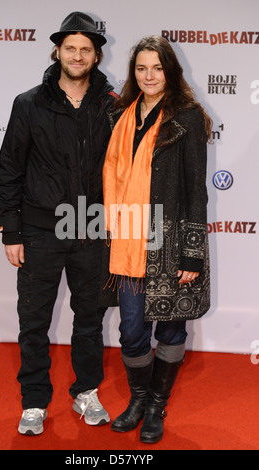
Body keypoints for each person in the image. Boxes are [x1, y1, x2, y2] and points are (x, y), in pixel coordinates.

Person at [0, 11, 116, 435]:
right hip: (40, 231)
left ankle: (86, 391)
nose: (77, 55)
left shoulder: (112, 105)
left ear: (96, 55)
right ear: (58, 51)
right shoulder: (29, 103)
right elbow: (9, 170)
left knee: (90, 318)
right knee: (34, 320)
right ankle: (34, 402)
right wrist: (12, 230)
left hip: (92, 231)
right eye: (70, 48)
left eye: (86, 49)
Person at [102, 35, 211, 444]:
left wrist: (193, 254)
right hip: (129, 240)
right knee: (131, 329)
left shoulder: (187, 117)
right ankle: (138, 398)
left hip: (171, 245)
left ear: (170, 70)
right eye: (141, 68)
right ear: (134, 72)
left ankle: (155, 406)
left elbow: (196, 191)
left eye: (157, 68)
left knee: (169, 330)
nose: (149, 76)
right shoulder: (119, 117)